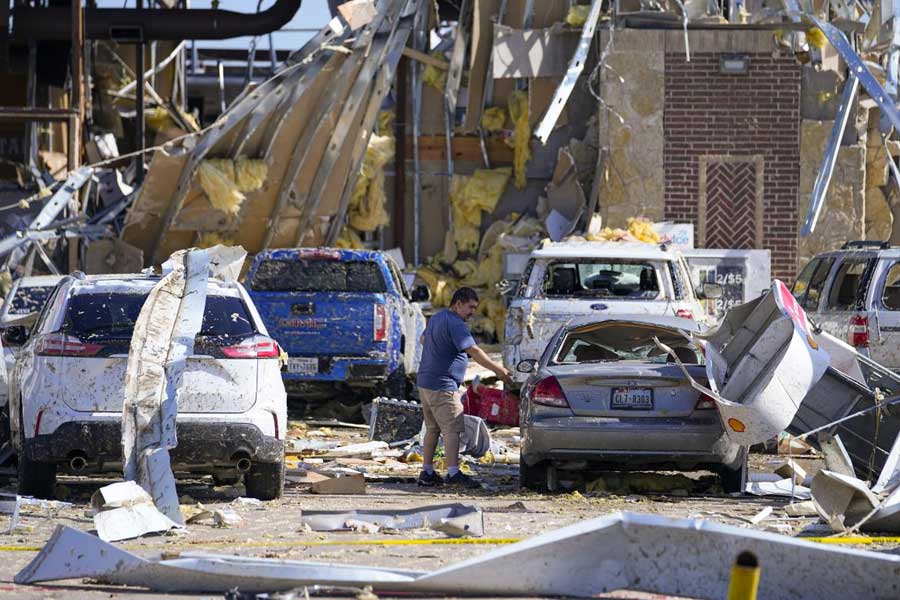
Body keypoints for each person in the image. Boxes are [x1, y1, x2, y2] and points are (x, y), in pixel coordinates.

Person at [416, 287, 512, 487]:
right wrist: (499, 371)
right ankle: (452, 473)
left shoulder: (437, 317)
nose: (473, 312)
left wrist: (440, 350)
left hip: (425, 382)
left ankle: (427, 472)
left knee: (432, 429)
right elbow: (474, 350)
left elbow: (423, 339)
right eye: (470, 307)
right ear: (458, 303)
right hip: (443, 385)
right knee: (453, 429)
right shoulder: (456, 323)